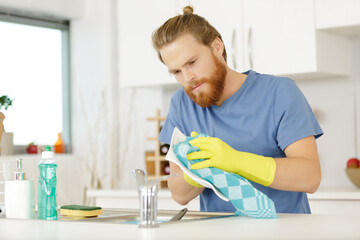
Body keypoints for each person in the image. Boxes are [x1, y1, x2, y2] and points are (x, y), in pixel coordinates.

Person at [152, 6, 323, 214]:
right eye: (177, 71)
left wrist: (235, 161)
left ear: (217, 46)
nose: (187, 77)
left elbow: (310, 177)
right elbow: (179, 195)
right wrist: (199, 168)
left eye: (192, 62)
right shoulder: (182, 104)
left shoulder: (279, 93)